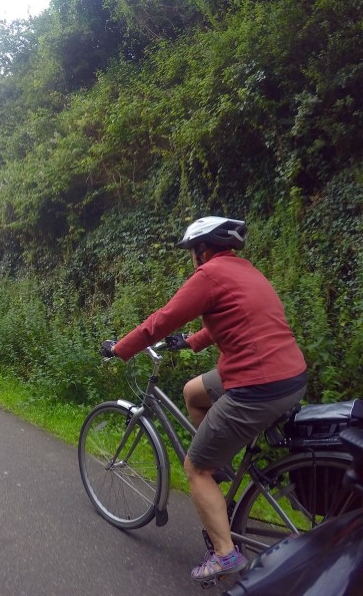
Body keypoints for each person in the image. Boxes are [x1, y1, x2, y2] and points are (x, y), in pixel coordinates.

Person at [100, 216, 307, 582]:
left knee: (195, 468)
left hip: (256, 384)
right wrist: (190, 342)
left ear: (201, 249)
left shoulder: (209, 275)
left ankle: (225, 554)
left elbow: (159, 322)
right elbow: (228, 320)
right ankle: (221, 467)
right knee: (193, 392)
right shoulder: (245, 271)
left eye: (192, 251)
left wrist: (120, 349)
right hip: (288, 376)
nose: (192, 258)